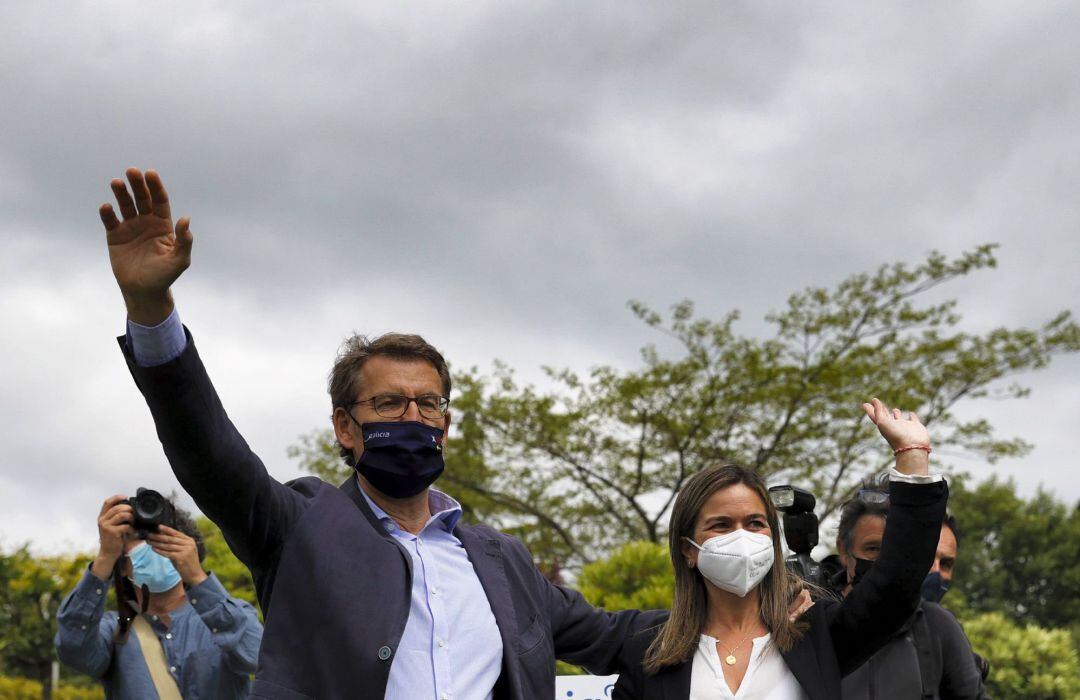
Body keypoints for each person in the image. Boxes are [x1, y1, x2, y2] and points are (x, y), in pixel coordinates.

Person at [97, 168, 660, 699]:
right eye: (389, 403)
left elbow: (615, 637)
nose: (412, 417)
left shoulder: (503, 561)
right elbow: (208, 451)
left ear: (446, 423)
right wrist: (150, 307)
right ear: (346, 426)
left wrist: (740, 597)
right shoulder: (299, 526)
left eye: (429, 404)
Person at [612, 399, 948, 700]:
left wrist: (913, 458)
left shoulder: (814, 635)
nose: (741, 536)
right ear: (688, 549)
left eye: (756, 523)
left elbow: (895, 587)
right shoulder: (650, 651)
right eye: (722, 525)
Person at [55, 493, 262, 699]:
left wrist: (198, 577)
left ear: (188, 546)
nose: (151, 546)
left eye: (160, 533)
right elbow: (74, 649)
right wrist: (105, 557)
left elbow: (257, 657)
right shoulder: (115, 631)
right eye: (139, 537)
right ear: (122, 562)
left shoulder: (231, 617)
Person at [836, 484, 987, 699]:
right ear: (843, 549)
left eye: (894, 552)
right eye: (874, 549)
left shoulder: (937, 624)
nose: (886, 565)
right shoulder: (812, 619)